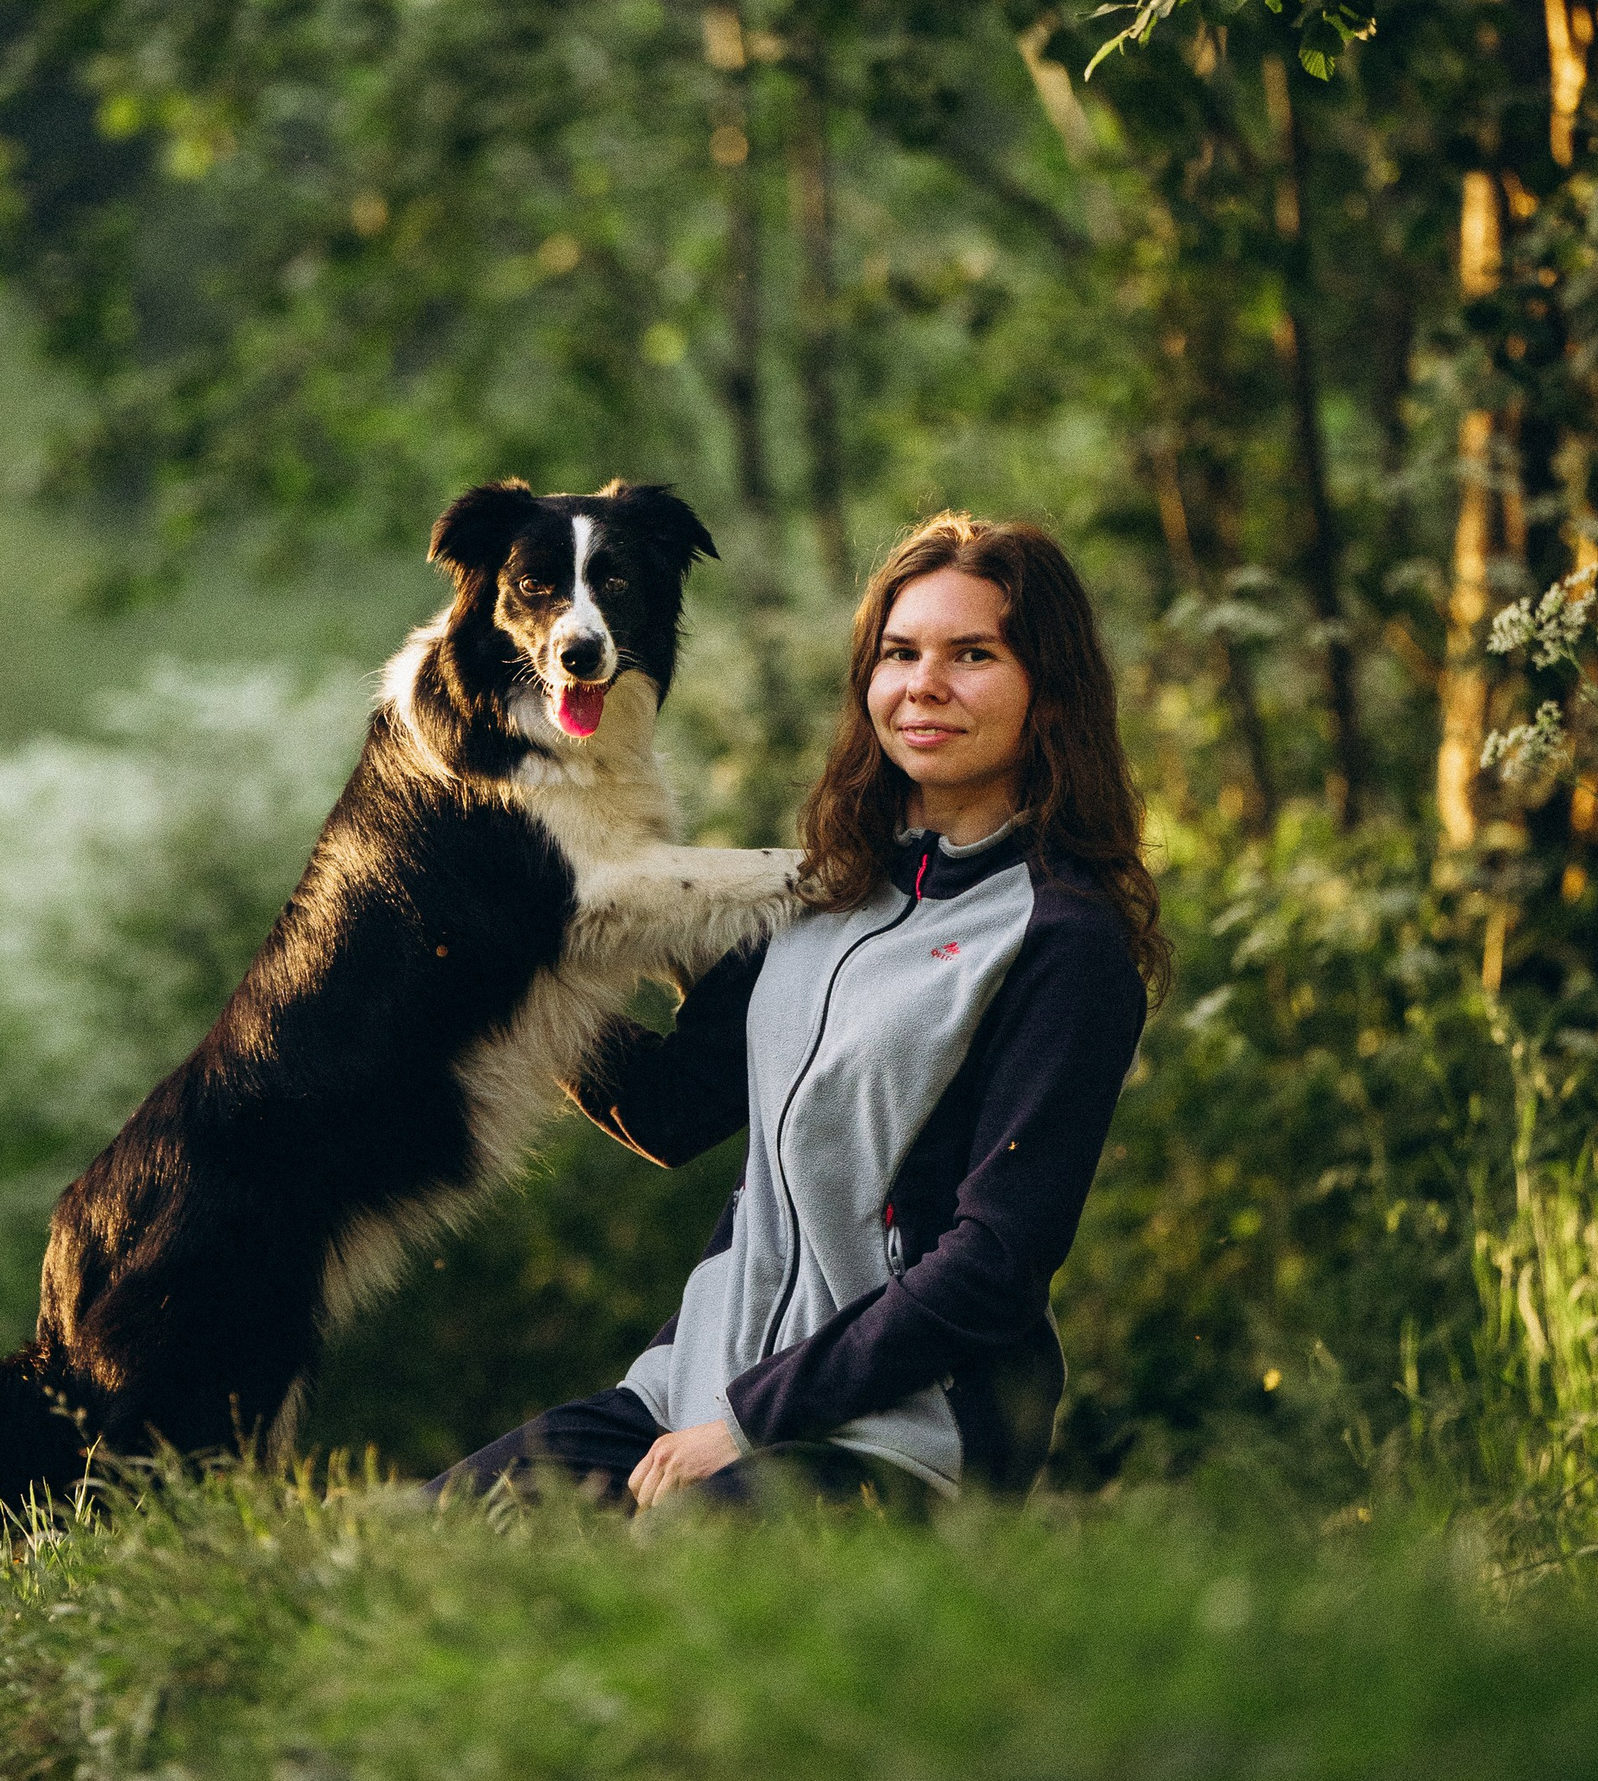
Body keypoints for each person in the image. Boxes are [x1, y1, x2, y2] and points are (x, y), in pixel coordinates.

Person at [432, 512, 1169, 1511]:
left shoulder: (1061, 942)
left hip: (899, 1434)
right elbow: (669, 1108)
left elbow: (994, 1262)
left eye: (974, 654)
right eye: (899, 652)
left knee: (677, 1564)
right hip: (690, 1395)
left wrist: (746, 1419)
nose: (924, 683)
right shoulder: (820, 890)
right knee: (430, 1534)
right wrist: (514, 967)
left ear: (1049, 690)